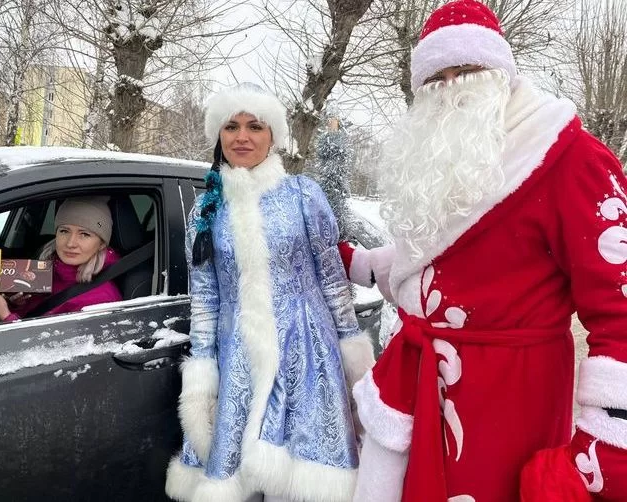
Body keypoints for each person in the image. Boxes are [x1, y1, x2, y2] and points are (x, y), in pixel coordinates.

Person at [338, 1, 627, 501]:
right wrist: (356, 263)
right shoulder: (445, 166)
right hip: (418, 397)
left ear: (500, 73)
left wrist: (600, 452)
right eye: (437, 77)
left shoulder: (568, 159)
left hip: (512, 409)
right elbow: (436, 268)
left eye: (468, 71)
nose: (453, 87)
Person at [165, 84, 374, 502]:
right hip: (237, 354)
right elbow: (205, 297)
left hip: (308, 354)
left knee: (304, 478)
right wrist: (203, 366)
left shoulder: (303, 195)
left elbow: (332, 278)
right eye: (232, 126)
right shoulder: (207, 209)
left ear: (273, 137)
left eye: (254, 126)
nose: (242, 137)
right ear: (219, 135)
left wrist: (352, 348)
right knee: (239, 475)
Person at [0, 196, 123, 321]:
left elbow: (52, 350)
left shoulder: (101, 299)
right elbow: (36, 319)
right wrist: (19, 305)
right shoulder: (48, 273)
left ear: (101, 244)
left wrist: (4, 315)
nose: (70, 243)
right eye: (64, 231)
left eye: (84, 234)